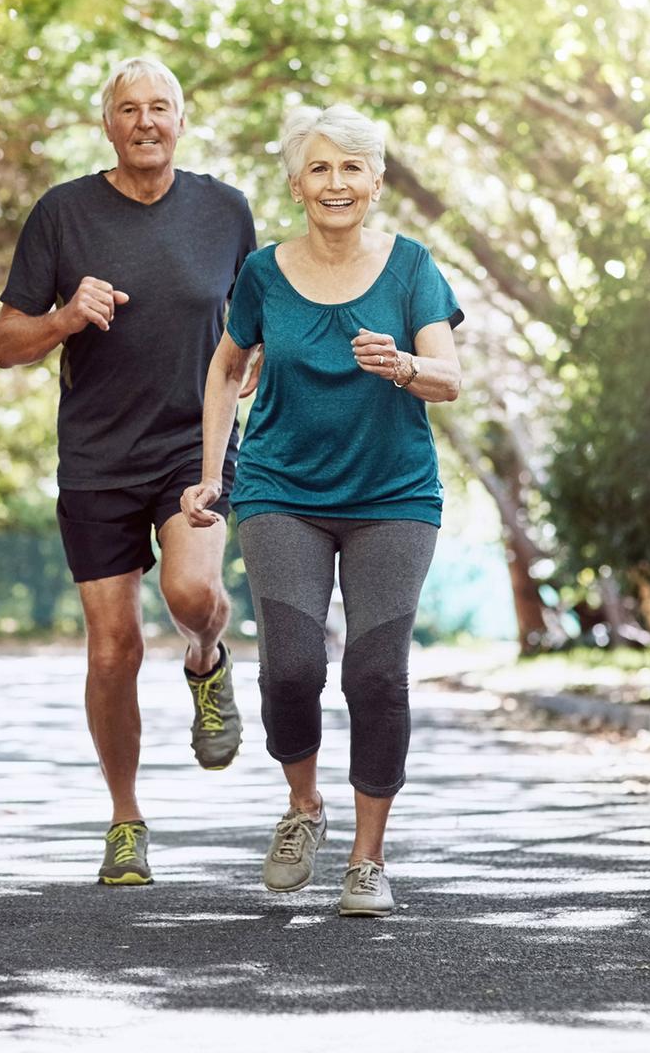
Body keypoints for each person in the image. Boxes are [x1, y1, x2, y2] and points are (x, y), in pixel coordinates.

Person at [181, 103, 462, 916]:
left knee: (375, 674)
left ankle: (368, 860)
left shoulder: (412, 267)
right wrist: (212, 475)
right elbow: (226, 369)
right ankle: (303, 808)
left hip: (393, 495)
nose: (335, 183)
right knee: (295, 667)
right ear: (296, 183)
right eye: (319, 168)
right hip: (281, 490)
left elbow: (449, 376)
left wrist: (404, 364)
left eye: (351, 168)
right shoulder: (265, 273)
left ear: (375, 181)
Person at [0, 57, 257, 886]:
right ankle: (126, 822)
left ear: (182, 119)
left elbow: (254, 325)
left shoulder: (224, 211)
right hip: (98, 454)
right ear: (107, 124)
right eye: (129, 109)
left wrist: (256, 368)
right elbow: (3, 343)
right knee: (112, 650)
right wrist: (67, 316)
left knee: (192, 597)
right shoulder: (63, 214)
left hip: (194, 445)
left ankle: (207, 661)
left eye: (161, 108)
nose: (146, 122)